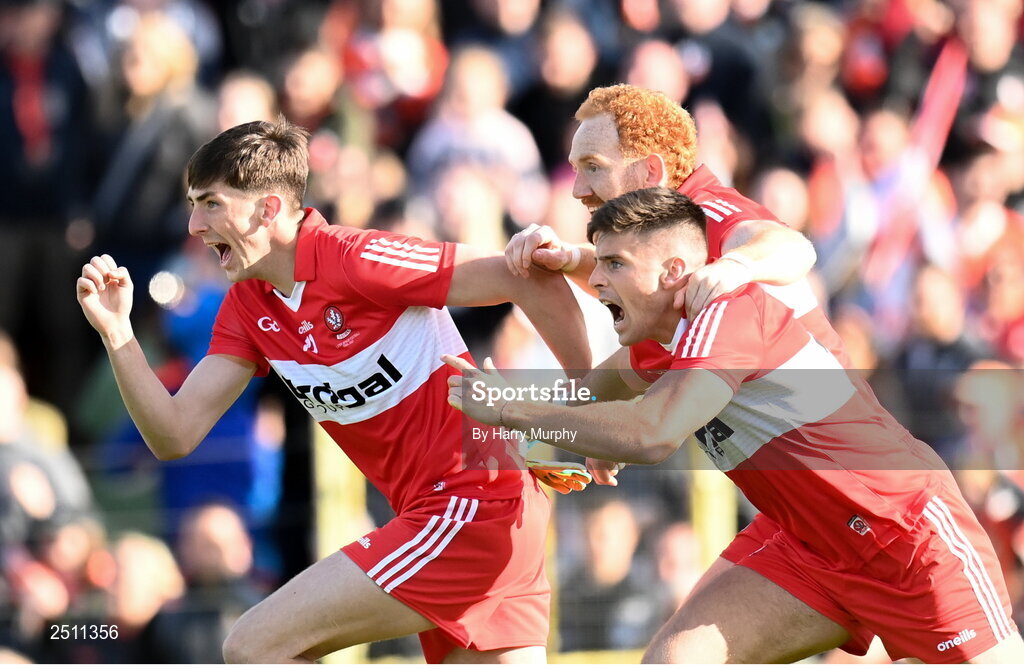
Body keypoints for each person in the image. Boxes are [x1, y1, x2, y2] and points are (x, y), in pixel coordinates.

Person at [76, 119, 591, 663]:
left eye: (210, 204)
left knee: (253, 646)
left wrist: (594, 416)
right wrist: (119, 335)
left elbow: (524, 276)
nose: (194, 224)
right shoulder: (250, 307)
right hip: (461, 513)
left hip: (475, 504)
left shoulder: (355, 259)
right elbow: (174, 435)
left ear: (269, 208)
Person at [445, 187, 1024, 663]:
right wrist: (513, 406)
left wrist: (513, 411)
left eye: (615, 265)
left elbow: (652, 433)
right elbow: (583, 400)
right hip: (808, 546)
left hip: (906, 535)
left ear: (675, 270)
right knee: (675, 660)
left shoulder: (730, 312)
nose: (596, 282)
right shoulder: (661, 339)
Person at [505, 82, 829, 614]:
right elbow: (608, 381)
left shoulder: (705, 217)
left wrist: (735, 266)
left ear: (651, 174)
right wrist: (569, 262)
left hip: (863, 496)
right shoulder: (671, 273)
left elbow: (794, 247)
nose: (577, 189)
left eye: (592, 166)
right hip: (797, 518)